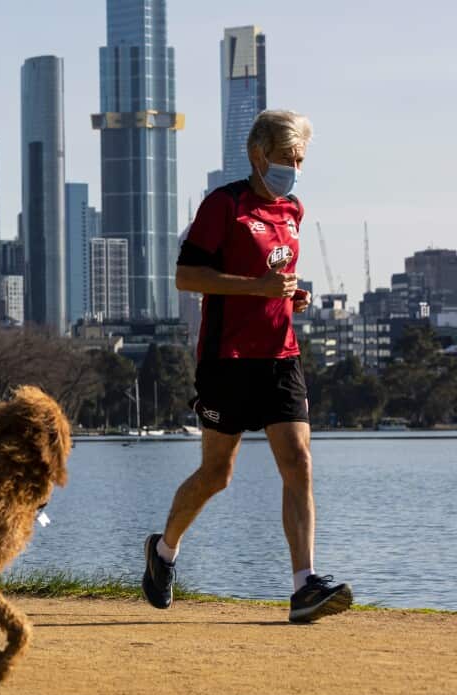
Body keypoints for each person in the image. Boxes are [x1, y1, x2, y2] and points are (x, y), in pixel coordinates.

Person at [141, 110, 353, 623]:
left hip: (281, 355)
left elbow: (274, 274)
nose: (295, 169)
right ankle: (163, 553)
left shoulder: (293, 209)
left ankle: (304, 586)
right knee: (217, 474)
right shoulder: (224, 204)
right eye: (287, 159)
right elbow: (187, 278)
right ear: (259, 156)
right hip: (226, 361)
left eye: (300, 160)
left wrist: (288, 297)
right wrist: (255, 288)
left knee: (298, 461)